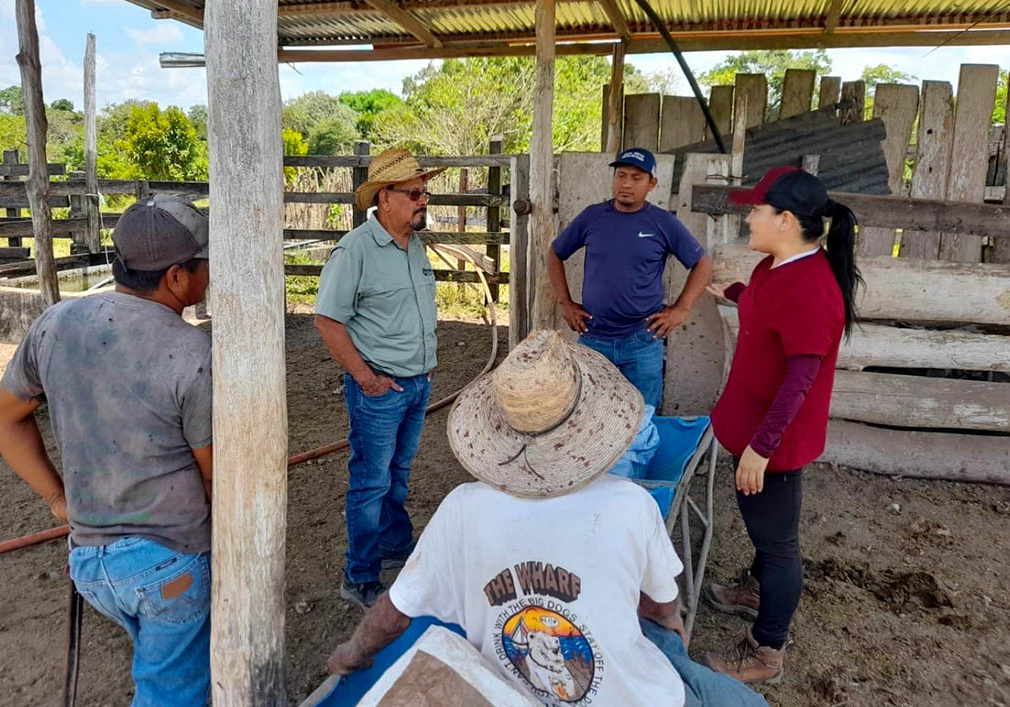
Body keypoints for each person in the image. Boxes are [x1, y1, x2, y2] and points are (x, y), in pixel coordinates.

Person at [326, 330, 767, 707]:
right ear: (589, 422)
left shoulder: (462, 507)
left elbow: (394, 613)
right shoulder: (631, 504)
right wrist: (668, 634)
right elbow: (661, 607)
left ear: (501, 428)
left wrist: (352, 653)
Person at [0, 196, 214, 707]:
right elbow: (213, 475)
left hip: (89, 562)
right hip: (168, 563)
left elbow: (2, 416)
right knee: (169, 694)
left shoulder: (56, 323)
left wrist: (57, 499)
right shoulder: (192, 350)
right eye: (205, 265)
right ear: (177, 277)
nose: (210, 274)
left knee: (160, 667)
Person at [703, 167, 863, 684]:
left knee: (777, 545)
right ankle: (756, 591)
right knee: (765, 529)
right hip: (755, 429)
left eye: (756, 210)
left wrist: (762, 448)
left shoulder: (812, 287)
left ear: (786, 220)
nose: (749, 218)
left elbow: (800, 380)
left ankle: (767, 652)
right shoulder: (775, 267)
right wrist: (731, 292)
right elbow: (765, 305)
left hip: (773, 442)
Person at [315, 148, 443, 608]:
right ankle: (360, 575)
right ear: (384, 198)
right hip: (381, 390)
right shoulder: (356, 250)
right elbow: (328, 321)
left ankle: (392, 544)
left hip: (416, 384)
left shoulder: (414, 245)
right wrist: (366, 379)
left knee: (397, 474)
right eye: (414, 193)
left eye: (424, 192)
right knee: (371, 482)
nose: (422, 200)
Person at [547, 147, 713, 410]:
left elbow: (702, 263)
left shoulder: (662, 223)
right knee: (589, 415)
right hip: (594, 337)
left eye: (636, 178)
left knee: (642, 415)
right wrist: (564, 303)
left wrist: (682, 309)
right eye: (621, 175)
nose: (626, 184)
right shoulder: (593, 217)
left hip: (642, 340)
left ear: (651, 184)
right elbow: (555, 253)